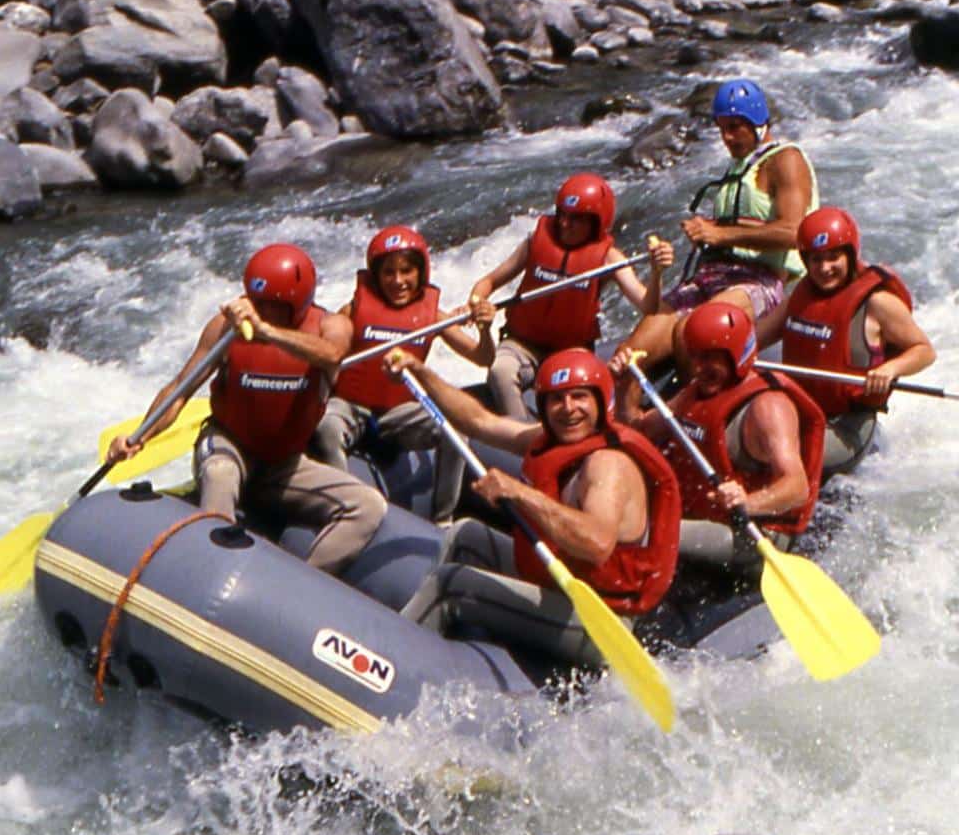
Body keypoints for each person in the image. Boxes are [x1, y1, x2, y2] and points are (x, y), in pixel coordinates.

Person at [385, 346, 681, 670]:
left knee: (449, 585)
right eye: (557, 399)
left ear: (600, 400)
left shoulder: (607, 465)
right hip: (557, 587)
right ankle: (438, 638)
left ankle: (391, 667)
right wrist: (420, 371)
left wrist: (520, 492)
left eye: (579, 397)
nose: (568, 409)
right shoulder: (551, 439)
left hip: (599, 623)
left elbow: (596, 544)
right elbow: (478, 421)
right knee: (466, 534)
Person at [106, 243, 387, 575]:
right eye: (257, 303)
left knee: (369, 506)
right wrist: (140, 436)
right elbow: (180, 390)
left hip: (284, 464)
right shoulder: (224, 329)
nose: (261, 312)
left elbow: (331, 355)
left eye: (274, 306)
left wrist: (267, 331)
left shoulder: (330, 326)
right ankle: (207, 574)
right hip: (230, 445)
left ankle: (299, 588)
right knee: (220, 474)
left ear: (299, 303)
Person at [613, 78, 818, 415]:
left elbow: (795, 230)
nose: (727, 137)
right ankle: (629, 427)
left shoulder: (786, 160)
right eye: (722, 129)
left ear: (757, 123)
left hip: (757, 281)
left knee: (691, 333)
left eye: (735, 128)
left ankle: (700, 418)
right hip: (709, 277)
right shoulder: (737, 169)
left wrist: (721, 235)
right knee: (630, 356)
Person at [617, 301, 825, 580]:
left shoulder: (768, 407)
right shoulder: (698, 391)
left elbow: (797, 487)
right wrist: (627, 381)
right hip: (704, 516)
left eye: (711, 358)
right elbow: (639, 429)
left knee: (642, 532)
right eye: (695, 357)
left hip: (751, 534)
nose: (700, 368)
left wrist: (748, 502)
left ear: (736, 356)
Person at [311, 225, 496, 516]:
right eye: (389, 273)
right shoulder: (353, 308)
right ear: (376, 275)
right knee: (327, 428)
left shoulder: (433, 316)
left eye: (407, 271)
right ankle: (343, 507)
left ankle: (443, 517)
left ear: (420, 273)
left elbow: (482, 358)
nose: (398, 281)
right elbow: (326, 351)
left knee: (457, 431)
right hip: (350, 406)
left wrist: (485, 330)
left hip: (399, 414)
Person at [467, 172, 663, 420]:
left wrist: (657, 273)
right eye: (563, 216)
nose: (565, 225)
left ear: (596, 223)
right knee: (500, 372)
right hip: (522, 343)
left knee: (579, 396)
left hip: (572, 349)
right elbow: (488, 282)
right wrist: (477, 301)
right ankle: (522, 438)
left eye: (576, 220)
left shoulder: (609, 258)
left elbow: (648, 305)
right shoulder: (536, 241)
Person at [755, 207, 935, 476]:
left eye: (833, 257)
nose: (825, 268)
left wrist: (890, 369)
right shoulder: (801, 297)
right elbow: (754, 338)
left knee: (781, 457)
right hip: (801, 411)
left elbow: (924, 350)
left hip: (848, 424)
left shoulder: (878, 303)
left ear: (850, 255)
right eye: (816, 260)